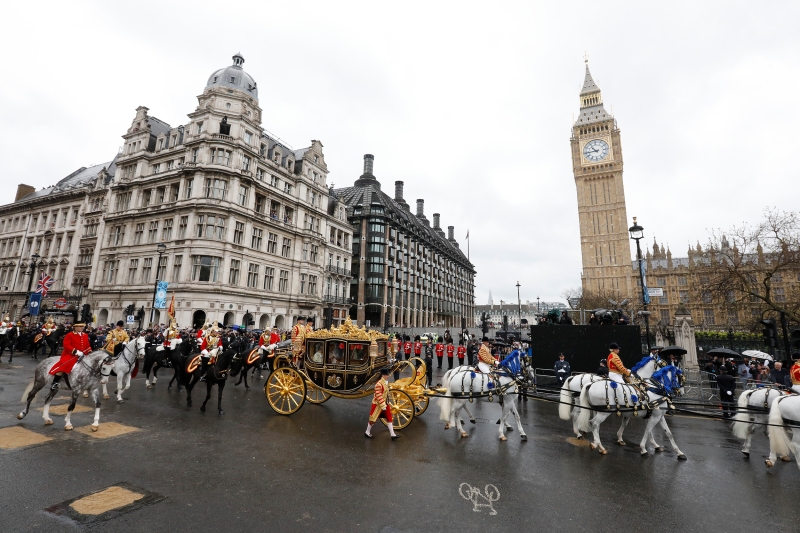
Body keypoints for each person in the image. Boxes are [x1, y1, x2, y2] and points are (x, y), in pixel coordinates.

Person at [48, 322, 92, 390]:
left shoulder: (85, 335)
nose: (82, 328)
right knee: (64, 365)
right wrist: (76, 351)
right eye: (80, 326)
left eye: (83, 326)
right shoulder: (69, 335)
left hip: (83, 354)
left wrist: (89, 351)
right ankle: (55, 383)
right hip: (70, 354)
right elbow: (66, 345)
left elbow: (87, 345)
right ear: (75, 327)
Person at [365, 367, 400, 440]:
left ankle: (392, 434)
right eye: (387, 375)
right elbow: (378, 395)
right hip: (378, 405)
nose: (388, 376)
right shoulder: (379, 384)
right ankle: (367, 432)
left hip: (385, 404)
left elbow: (386, 393)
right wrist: (383, 404)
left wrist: (386, 402)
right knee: (373, 419)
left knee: (389, 418)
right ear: (383, 375)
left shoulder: (384, 382)